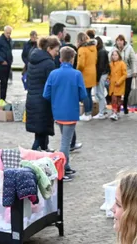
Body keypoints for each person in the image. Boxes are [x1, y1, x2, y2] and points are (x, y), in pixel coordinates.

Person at [44, 47, 86, 181]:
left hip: (57, 111)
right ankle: (61, 169)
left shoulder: (53, 74)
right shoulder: (77, 74)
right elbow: (83, 94)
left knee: (65, 139)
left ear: (60, 59)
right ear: (72, 59)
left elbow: (46, 94)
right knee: (65, 142)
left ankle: (66, 166)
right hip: (71, 112)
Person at [26, 36, 59, 151]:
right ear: (49, 48)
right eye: (56, 51)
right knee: (41, 132)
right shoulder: (49, 63)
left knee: (40, 130)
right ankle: (33, 154)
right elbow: (51, 85)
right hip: (43, 101)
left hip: (32, 98)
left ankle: (45, 148)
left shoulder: (33, 60)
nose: (57, 54)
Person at [75, 32, 97, 121]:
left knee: (85, 95)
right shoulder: (93, 48)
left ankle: (87, 113)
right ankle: (89, 113)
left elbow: (81, 64)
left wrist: (77, 70)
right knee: (89, 93)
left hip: (85, 74)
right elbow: (95, 60)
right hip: (93, 72)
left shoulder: (82, 49)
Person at [115, 35, 137, 115]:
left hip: (128, 73)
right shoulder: (114, 49)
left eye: (121, 40)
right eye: (118, 40)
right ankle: (117, 107)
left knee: (126, 91)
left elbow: (133, 60)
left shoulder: (129, 48)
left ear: (123, 41)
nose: (119, 42)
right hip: (118, 74)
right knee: (118, 91)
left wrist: (135, 71)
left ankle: (125, 105)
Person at [0, 26, 14, 102]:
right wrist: (1, 60)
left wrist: (10, 59)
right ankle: (2, 99)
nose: (8, 35)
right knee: (3, 82)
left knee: (6, 83)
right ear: (4, 32)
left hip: (8, 63)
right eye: (7, 33)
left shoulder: (9, 40)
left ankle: (4, 98)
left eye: (10, 33)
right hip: (2, 64)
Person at [92, 36, 110, 119]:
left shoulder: (101, 52)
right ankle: (103, 110)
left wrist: (97, 79)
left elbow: (100, 67)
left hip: (101, 74)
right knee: (100, 93)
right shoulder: (102, 50)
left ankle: (101, 112)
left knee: (100, 93)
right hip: (103, 73)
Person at [108, 49, 127, 120]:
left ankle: (117, 112)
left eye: (116, 55)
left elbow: (124, 75)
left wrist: (119, 82)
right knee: (114, 99)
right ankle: (114, 112)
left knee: (118, 99)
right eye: (113, 55)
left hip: (119, 84)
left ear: (119, 55)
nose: (114, 56)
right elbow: (110, 73)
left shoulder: (122, 63)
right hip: (112, 85)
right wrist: (108, 78)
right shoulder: (110, 64)